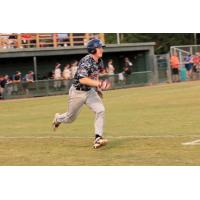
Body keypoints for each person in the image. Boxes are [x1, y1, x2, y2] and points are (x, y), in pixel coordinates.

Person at [52, 39, 108, 149]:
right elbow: (82, 80)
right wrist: (99, 83)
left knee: (100, 110)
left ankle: (98, 138)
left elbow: (95, 74)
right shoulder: (85, 61)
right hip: (77, 92)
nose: (102, 49)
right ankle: (58, 119)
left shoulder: (99, 61)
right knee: (70, 118)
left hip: (90, 92)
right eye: (100, 47)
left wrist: (97, 88)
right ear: (93, 50)